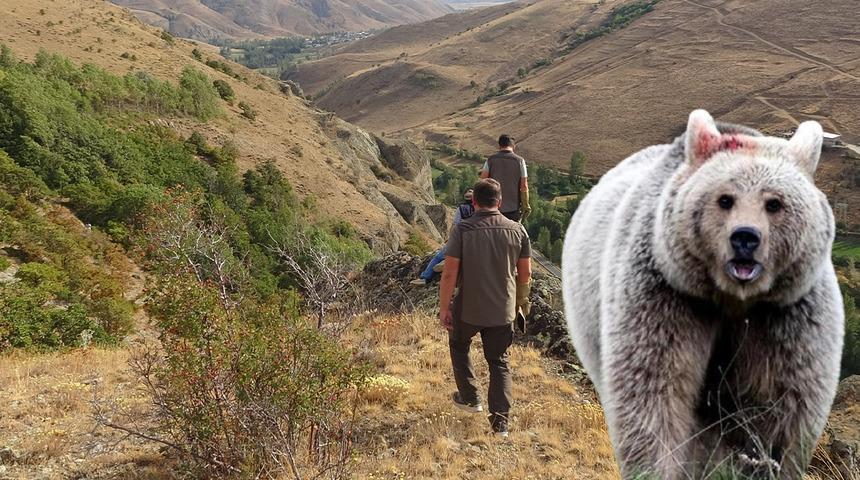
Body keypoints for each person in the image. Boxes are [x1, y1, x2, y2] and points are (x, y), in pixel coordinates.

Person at [438, 179, 532, 438]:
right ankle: (500, 423)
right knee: (499, 362)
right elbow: (525, 275)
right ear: (499, 202)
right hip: (503, 310)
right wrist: (521, 305)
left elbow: (448, 274)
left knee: (458, 343)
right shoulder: (518, 231)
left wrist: (444, 307)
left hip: (468, 306)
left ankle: (470, 397)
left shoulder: (463, 229)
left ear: (475, 202)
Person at [410, 189, 475, 286]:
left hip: (461, 239)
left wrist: (451, 238)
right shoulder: (481, 208)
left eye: (470, 191)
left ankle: (426, 277)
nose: (469, 192)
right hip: (476, 240)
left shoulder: (461, 209)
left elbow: (455, 225)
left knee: (438, 256)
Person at [480, 134, 531, 223]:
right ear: (513, 146)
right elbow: (524, 186)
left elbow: (483, 182)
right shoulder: (520, 161)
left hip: (492, 207)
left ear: (499, 146)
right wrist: (525, 205)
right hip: (512, 209)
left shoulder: (490, 160)